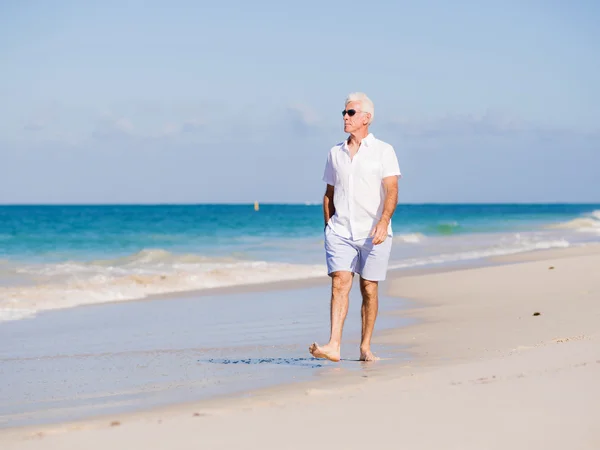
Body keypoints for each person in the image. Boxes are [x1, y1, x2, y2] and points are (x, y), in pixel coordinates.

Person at [309, 92, 401, 362]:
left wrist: (383, 222)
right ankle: (334, 345)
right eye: (344, 113)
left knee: (369, 288)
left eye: (350, 113)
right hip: (340, 231)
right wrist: (328, 227)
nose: (345, 117)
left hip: (374, 233)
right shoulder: (334, 152)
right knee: (340, 282)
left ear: (366, 118)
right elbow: (328, 192)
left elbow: (392, 190)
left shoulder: (384, 151)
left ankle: (365, 347)